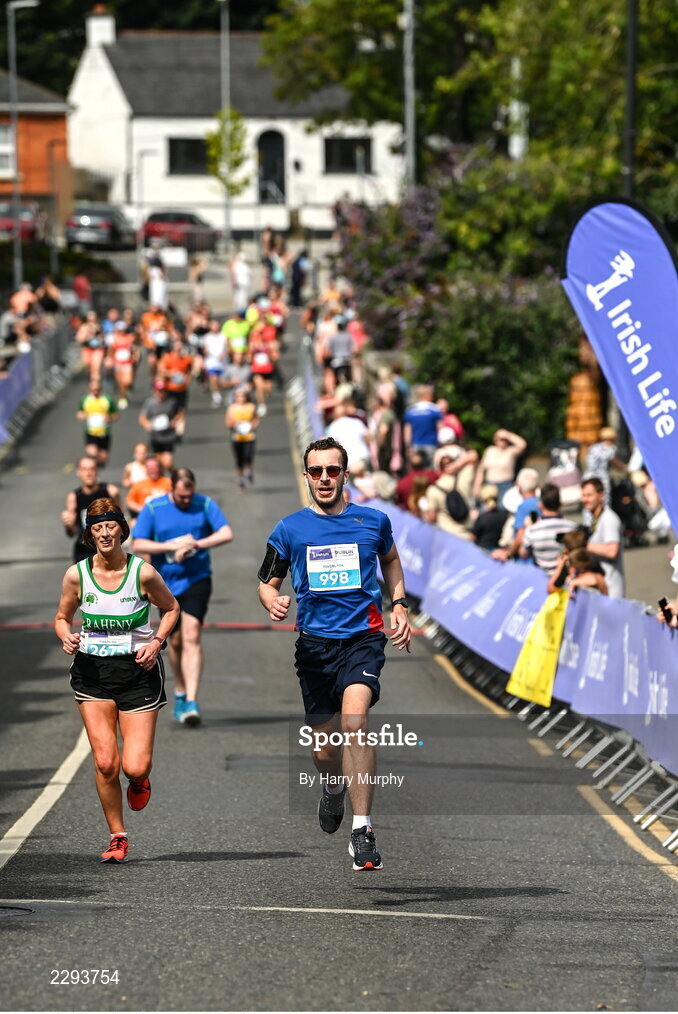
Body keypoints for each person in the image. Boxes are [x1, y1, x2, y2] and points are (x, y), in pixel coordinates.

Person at [257, 436, 411, 872]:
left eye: (332, 470)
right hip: (315, 647)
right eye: (316, 471)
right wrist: (271, 598)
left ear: (345, 474)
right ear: (306, 476)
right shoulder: (289, 529)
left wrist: (398, 605)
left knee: (356, 721)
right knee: (326, 751)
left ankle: (362, 830)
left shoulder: (373, 521)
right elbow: (267, 580)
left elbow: (392, 562)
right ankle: (331, 788)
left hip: (363, 638)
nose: (325, 478)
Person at [54, 498, 180, 863]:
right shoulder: (77, 575)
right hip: (92, 674)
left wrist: (157, 642)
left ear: (122, 531)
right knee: (106, 762)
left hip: (137, 674)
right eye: (97, 528)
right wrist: (65, 635)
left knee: (134, 765)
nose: (105, 533)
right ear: (89, 535)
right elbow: (62, 617)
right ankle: (117, 835)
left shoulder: (142, 573)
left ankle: (140, 781)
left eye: (110, 526)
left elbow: (171, 609)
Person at [132, 467, 233, 726]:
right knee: (174, 642)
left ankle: (191, 700)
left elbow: (226, 533)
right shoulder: (154, 508)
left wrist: (196, 544)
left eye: (189, 496)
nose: (186, 501)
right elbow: (138, 544)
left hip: (197, 579)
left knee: (192, 634)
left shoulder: (204, 504)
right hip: (165, 585)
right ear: (171, 490)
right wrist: (171, 546)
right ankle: (179, 690)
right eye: (181, 497)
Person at [61, 456, 121, 563]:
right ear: (78, 472)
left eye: (92, 469)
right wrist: (68, 525)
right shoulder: (74, 497)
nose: (88, 473)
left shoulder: (111, 492)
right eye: (84, 469)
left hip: (108, 547)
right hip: (84, 550)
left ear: (97, 471)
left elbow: (121, 521)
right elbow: (72, 533)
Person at [582, 476, 625, 598]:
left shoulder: (609, 519)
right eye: (583, 495)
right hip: (600, 591)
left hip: (611, 592)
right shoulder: (595, 519)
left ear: (601, 495)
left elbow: (612, 551)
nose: (585, 499)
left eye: (589, 495)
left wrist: (583, 545)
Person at [519, 483, 576, 575]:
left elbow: (523, 554)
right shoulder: (572, 528)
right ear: (560, 504)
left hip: (541, 579)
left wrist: (527, 527)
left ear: (540, 505)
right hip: (565, 579)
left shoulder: (532, 530)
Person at [472, 428, 527, 506]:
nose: (503, 441)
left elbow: (523, 445)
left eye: (505, 439)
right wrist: (477, 486)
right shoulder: (490, 450)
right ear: (495, 439)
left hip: (505, 484)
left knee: (503, 509)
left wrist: (508, 435)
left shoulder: (511, 451)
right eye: (500, 439)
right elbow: (481, 469)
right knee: (485, 509)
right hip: (490, 484)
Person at [138, 380, 184, 472]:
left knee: (168, 462)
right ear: (154, 391)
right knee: (157, 463)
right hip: (155, 437)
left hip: (168, 436)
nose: (161, 393)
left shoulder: (172, 402)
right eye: (158, 391)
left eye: (162, 390)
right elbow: (142, 418)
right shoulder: (150, 403)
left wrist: (174, 421)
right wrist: (147, 424)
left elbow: (180, 412)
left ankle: (173, 474)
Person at [76, 377, 118, 466]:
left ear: (100, 389)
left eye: (97, 389)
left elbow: (116, 415)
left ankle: (98, 466)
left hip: (104, 432)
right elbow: (79, 414)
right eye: (93, 389)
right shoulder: (85, 400)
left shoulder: (107, 400)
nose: (95, 391)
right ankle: (92, 467)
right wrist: (84, 416)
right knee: (92, 452)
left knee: (103, 459)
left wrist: (109, 418)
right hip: (90, 432)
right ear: (89, 389)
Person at [225, 386, 259, 490]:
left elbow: (256, 419)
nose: (240, 398)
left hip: (249, 437)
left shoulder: (251, 407)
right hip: (237, 437)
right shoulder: (232, 408)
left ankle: (249, 470)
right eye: (238, 396)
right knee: (239, 460)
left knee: (248, 456)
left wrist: (252, 426)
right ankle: (240, 479)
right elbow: (227, 423)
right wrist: (235, 424)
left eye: (242, 396)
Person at [402, 384, 442, 457]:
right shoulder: (434, 409)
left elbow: (407, 431)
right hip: (431, 444)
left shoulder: (411, 410)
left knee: (416, 467)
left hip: (415, 445)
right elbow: (441, 428)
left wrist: (408, 446)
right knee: (431, 468)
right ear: (427, 395)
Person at [470, 485, 509, 552]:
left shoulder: (482, 518)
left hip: (482, 550)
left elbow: (472, 537)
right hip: (497, 550)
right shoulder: (505, 514)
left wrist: (472, 521)